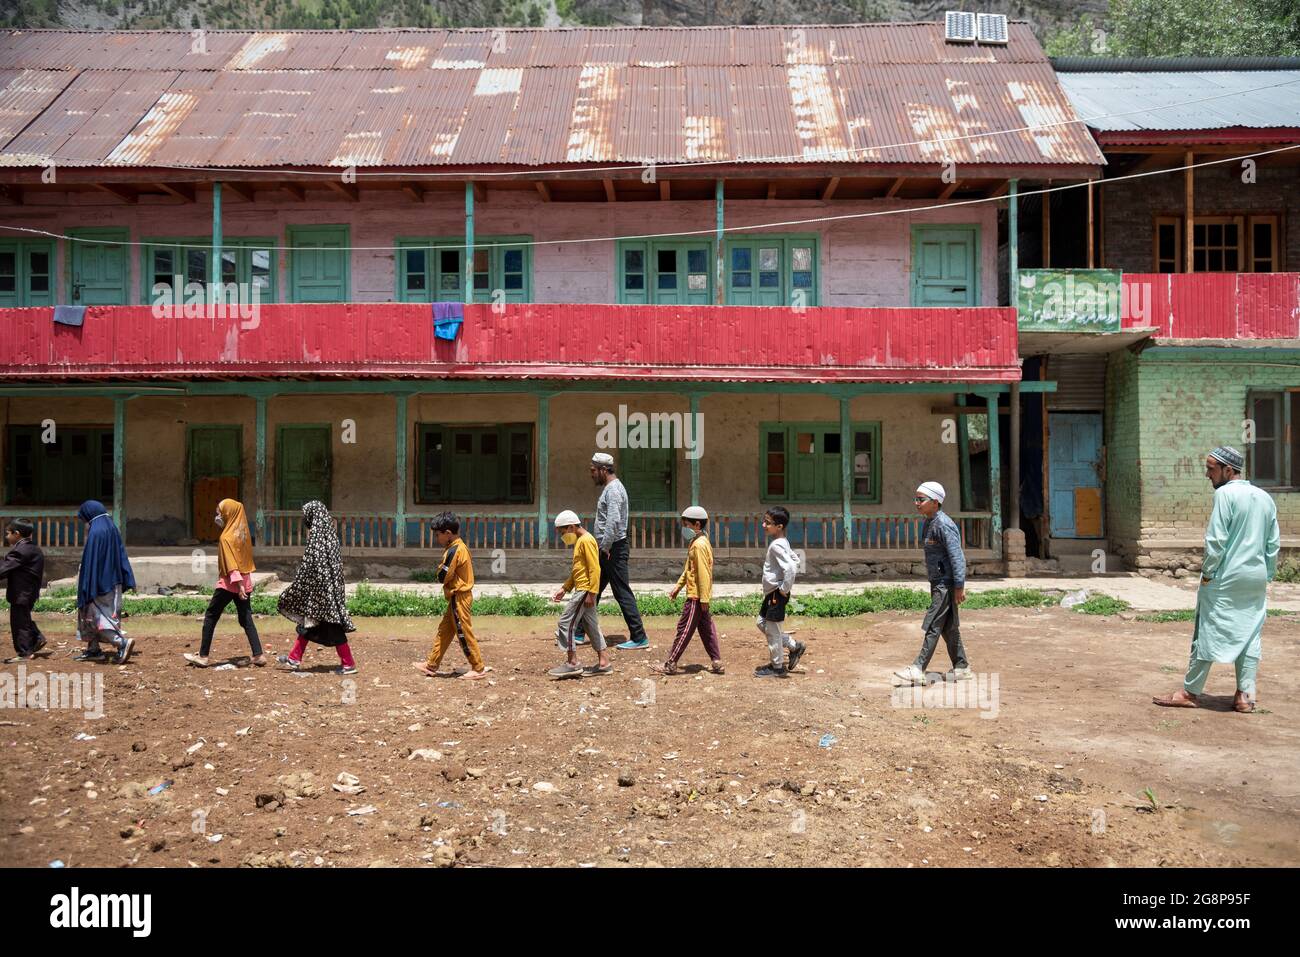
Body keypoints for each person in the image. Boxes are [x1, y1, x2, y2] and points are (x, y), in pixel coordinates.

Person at [1154, 446, 1280, 714]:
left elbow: (1216, 540)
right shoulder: (1265, 497)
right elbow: (1273, 544)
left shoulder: (1225, 495)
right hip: (1255, 578)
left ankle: (1189, 692)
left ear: (1228, 470)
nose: (1207, 474)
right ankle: (1245, 696)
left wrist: (1209, 573)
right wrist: (1266, 574)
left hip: (1225, 576)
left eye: (1211, 468)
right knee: (1250, 633)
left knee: (1207, 630)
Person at [894, 481, 971, 685]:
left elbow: (957, 556)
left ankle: (918, 667)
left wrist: (959, 585)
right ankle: (961, 667)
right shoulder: (929, 522)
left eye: (921, 499)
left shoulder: (943, 524)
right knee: (948, 626)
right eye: (916, 499)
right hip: (938, 581)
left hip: (945, 584)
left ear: (935, 502)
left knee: (934, 624)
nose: (916, 503)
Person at [574, 452, 649, 650]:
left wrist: (605, 546)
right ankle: (580, 632)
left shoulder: (613, 490)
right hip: (608, 548)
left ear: (603, 470)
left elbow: (614, 521)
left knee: (621, 592)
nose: (591, 474)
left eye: (593, 470)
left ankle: (639, 636)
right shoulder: (611, 488)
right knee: (594, 588)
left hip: (612, 549)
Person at [276, 500, 358, 675]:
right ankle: (293, 658)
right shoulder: (330, 535)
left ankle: (349, 664)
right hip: (329, 591)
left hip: (321, 593)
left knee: (332, 629)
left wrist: (300, 584)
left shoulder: (316, 538)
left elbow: (311, 566)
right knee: (309, 626)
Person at [184, 499, 265, 668]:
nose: (218, 516)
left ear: (228, 514)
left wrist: (240, 585)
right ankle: (258, 655)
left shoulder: (226, 538)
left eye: (220, 512)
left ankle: (204, 656)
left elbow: (232, 564)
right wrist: (244, 585)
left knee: (211, 616)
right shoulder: (244, 537)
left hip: (230, 584)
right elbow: (243, 562)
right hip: (245, 582)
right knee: (246, 618)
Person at [412, 511, 490, 680]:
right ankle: (431, 664)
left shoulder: (455, 550)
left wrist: (440, 571)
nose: (436, 538)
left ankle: (478, 668)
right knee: (445, 631)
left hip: (459, 596)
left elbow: (442, 577)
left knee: (463, 632)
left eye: (438, 534)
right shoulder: (458, 547)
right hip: (458, 596)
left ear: (447, 533)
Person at [653, 506, 723, 676]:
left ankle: (671, 663)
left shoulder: (699, 545)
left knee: (684, 629)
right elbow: (689, 569)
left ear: (697, 524)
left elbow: (703, 573)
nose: (684, 529)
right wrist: (678, 587)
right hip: (698, 595)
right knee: (707, 630)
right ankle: (717, 662)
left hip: (696, 597)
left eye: (686, 525)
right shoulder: (700, 541)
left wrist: (704, 598)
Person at [550, 509, 612, 679]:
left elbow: (594, 568)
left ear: (571, 527)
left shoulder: (586, 541)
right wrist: (565, 588)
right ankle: (604, 662)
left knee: (566, 623)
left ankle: (572, 663)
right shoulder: (580, 541)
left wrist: (592, 593)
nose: (562, 536)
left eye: (563, 532)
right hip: (583, 589)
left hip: (585, 591)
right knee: (591, 626)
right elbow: (578, 570)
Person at [73, 500, 136, 664]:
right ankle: (93, 649)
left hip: (99, 585)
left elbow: (92, 563)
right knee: (91, 616)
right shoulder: (109, 527)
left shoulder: (96, 532)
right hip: (112, 581)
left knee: (98, 618)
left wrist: (88, 586)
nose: (84, 524)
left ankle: (121, 643)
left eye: (84, 520)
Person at [755, 506, 804, 678]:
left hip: (777, 594)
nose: (764, 525)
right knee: (762, 623)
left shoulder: (777, 545)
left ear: (780, 526)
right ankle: (793, 646)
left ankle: (777, 667)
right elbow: (796, 560)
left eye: (768, 523)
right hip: (773, 593)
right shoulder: (782, 543)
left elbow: (791, 566)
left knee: (772, 630)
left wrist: (784, 588)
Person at [0, 519, 48, 663]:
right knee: (23, 619)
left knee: (19, 623)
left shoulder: (22, 551)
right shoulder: (30, 547)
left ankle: (25, 653)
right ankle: (37, 638)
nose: (6, 537)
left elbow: (3, 569)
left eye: (8, 533)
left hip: (22, 593)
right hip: (27, 592)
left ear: (17, 534)